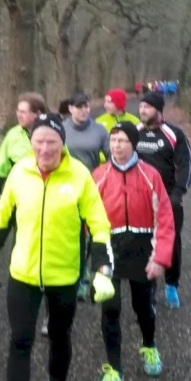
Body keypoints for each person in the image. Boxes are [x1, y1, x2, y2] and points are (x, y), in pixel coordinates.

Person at [0, 113, 115, 381]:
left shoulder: (79, 175)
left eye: (51, 142)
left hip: (64, 275)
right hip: (23, 274)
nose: (44, 149)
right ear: (31, 143)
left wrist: (102, 270)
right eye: (38, 141)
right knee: (20, 339)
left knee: (59, 337)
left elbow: (99, 225)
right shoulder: (19, 172)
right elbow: (1, 219)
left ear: (62, 143)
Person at [92, 121, 175, 381]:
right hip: (110, 251)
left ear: (134, 143)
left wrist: (160, 258)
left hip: (142, 252)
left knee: (143, 308)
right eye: (113, 140)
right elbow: (87, 221)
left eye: (123, 140)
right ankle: (114, 370)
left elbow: (164, 220)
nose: (116, 146)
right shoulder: (99, 175)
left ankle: (149, 346)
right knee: (110, 309)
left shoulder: (151, 175)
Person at [136, 92, 191, 309]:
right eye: (141, 107)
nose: (142, 111)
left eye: (147, 107)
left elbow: (186, 166)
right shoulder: (136, 133)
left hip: (168, 199)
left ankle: (171, 284)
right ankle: (149, 291)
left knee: (171, 242)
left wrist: (177, 194)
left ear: (159, 110)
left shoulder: (174, 134)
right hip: (140, 199)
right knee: (144, 242)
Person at [63, 92, 111, 302]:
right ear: (70, 108)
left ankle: (92, 269)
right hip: (65, 189)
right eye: (79, 106)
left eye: (86, 106)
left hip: (93, 188)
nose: (84, 110)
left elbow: (111, 157)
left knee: (94, 233)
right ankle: (80, 278)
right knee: (74, 235)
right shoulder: (62, 129)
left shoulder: (100, 130)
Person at [0, 92, 47, 212]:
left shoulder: (53, 135)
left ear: (37, 113)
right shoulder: (12, 135)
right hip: (19, 200)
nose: (19, 115)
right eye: (18, 111)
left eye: (23, 112)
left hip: (48, 199)